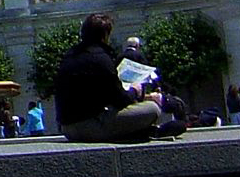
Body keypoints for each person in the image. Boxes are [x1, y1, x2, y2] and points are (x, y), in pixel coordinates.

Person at [56, 12, 164, 143]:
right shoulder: (101, 59)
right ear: (105, 35)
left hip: (67, 129)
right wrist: (134, 90)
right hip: (90, 127)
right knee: (152, 109)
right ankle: (140, 132)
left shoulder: (69, 56)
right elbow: (121, 101)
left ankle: (136, 133)